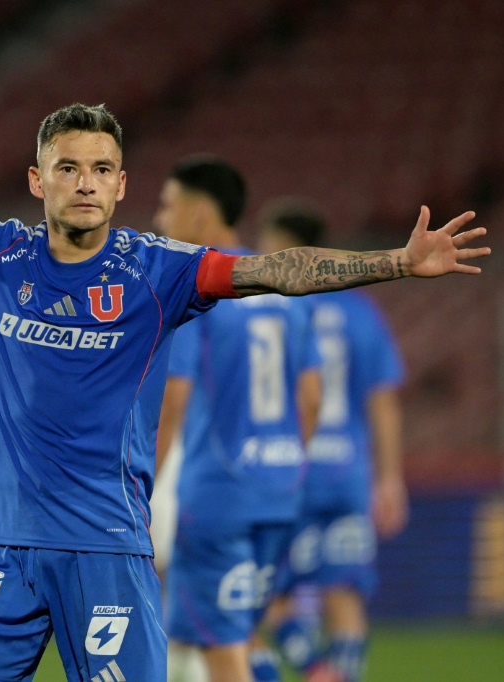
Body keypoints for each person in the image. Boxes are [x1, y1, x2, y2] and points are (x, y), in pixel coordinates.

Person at [0, 103, 489, 682]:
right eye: (68, 168)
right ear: (38, 179)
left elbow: (276, 270)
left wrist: (395, 261)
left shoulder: (161, 271)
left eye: (101, 169)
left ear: (122, 183)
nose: (86, 183)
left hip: (107, 548)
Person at [152, 156, 322, 682]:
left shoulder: (198, 289)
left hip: (219, 494)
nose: (160, 219)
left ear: (200, 213)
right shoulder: (282, 289)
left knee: (221, 650)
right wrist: (286, 463)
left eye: (168, 205)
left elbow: (173, 398)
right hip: (280, 490)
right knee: (242, 634)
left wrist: (142, 485)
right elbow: (311, 397)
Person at [257, 200, 408, 682]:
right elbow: (383, 400)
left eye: (269, 245)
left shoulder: (274, 307)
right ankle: (337, 673)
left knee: (267, 597)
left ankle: (315, 669)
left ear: (289, 249)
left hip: (290, 471)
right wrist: (390, 478)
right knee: (344, 594)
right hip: (347, 476)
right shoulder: (361, 312)